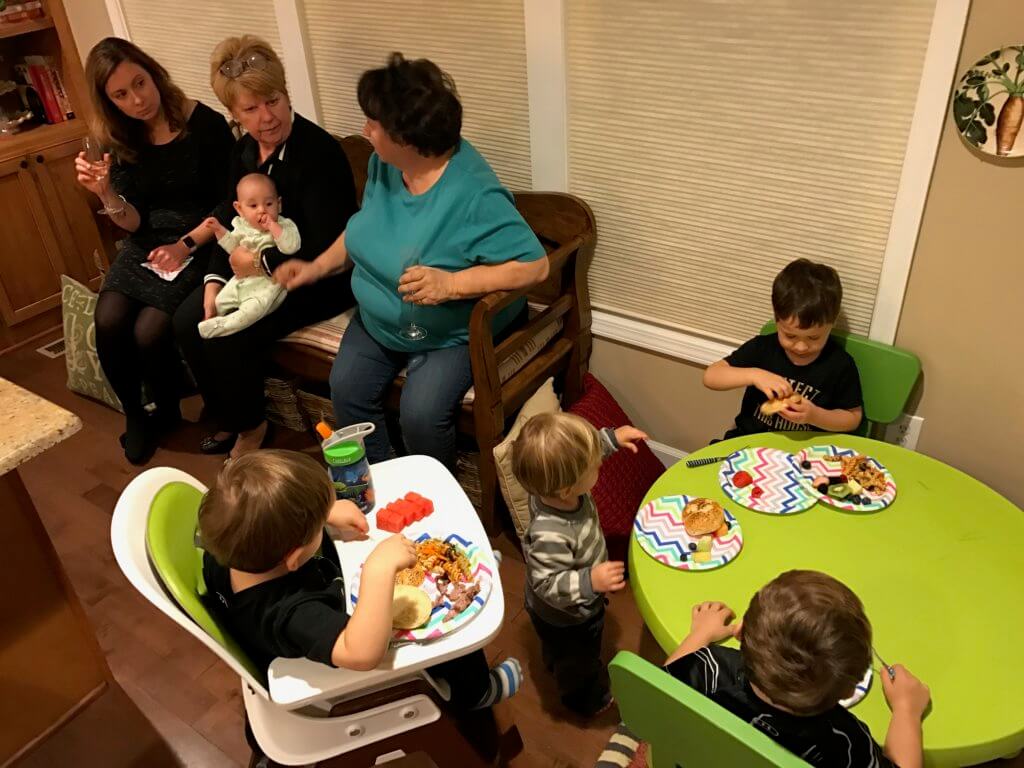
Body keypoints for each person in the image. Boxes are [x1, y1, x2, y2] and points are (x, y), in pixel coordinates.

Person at [277, 53, 548, 471]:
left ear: (406, 137)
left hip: (450, 330)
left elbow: (534, 267)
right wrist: (315, 268)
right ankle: (386, 481)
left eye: (373, 124)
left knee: (421, 416)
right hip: (380, 318)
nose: (365, 130)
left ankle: (432, 503)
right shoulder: (384, 164)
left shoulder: (474, 195)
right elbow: (362, 229)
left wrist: (451, 285)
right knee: (346, 390)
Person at [199, 450, 523, 710]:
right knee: (450, 636)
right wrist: (378, 570)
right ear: (295, 558)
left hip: (326, 583)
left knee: (424, 568)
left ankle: (464, 578)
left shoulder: (230, 548)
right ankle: (476, 691)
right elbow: (362, 653)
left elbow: (267, 518)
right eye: (314, 526)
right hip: (338, 654)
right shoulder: (291, 615)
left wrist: (321, 514)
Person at [172, 36, 358, 459]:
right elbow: (232, 216)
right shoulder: (242, 151)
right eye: (250, 109)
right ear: (233, 114)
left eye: (272, 101)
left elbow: (324, 241)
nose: (266, 117)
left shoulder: (319, 152)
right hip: (252, 274)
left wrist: (255, 262)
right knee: (188, 320)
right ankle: (228, 412)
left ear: (286, 94)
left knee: (228, 334)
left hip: (314, 279)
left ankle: (250, 428)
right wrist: (215, 278)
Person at [75, 37, 234, 464]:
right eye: (121, 95)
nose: (138, 100)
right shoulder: (120, 137)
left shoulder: (204, 123)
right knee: (108, 318)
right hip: (147, 241)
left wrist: (184, 246)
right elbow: (132, 221)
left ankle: (165, 408)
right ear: (110, 102)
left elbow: (229, 202)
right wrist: (105, 191)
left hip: (200, 239)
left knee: (148, 331)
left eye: (140, 83)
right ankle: (137, 416)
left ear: (153, 72)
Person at [663, 571, 930, 768]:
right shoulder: (843, 740)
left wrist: (700, 633)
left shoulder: (714, 671)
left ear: (740, 632)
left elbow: (662, 683)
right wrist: (907, 710)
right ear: (850, 689)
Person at [511, 412, 648, 716]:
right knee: (579, 660)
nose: (599, 462)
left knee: (557, 651)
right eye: (594, 464)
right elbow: (547, 584)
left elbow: (581, 452)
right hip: (567, 615)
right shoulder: (551, 532)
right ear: (566, 488)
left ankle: (553, 659)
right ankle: (585, 699)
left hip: (562, 606)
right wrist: (590, 581)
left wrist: (611, 439)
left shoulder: (552, 488)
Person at [703, 258, 864, 439]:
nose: (801, 347)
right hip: (749, 443)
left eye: (813, 337)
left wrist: (814, 416)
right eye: (790, 336)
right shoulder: (763, 348)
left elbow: (853, 418)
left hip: (804, 451)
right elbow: (711, 376)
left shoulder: (839, 364)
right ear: (777, 319)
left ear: (832, 324)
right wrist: (755, 375)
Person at [197, 173, 297, 339]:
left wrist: (273, 226)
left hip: (268, 285)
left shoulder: (284, 225)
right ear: (239, 209)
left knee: (252, 311)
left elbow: (290, 246)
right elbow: (233, 248)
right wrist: (219, 231)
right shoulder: (242, 226)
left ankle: (223, 326)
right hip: (241, 280)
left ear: (279, 204)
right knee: (219, 302)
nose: (262, 210)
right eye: (253, 205)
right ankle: (215, 318)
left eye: (269, 204)